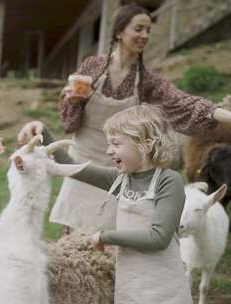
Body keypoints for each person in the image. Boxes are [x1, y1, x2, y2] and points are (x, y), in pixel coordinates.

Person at [18, 3, 231, 234]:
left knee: (106, 239)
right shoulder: (92, 67)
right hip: (80, 162)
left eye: (148, 30)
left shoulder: (146, 79)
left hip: (119, 169)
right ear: (119, 32)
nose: (144, 35)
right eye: (139, 29)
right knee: (73, 233)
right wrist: (72, 102)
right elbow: (69, 124)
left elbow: (183, 103)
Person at [53, 104, 192, 303]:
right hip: (131, 284)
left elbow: (158, 238)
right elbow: (73, 167)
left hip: (162, 287)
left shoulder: (168, 181)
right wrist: (42, 131)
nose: (109, 151)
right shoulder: (120, 179)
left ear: (145, 144)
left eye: (116, 144)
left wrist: (105, 236)